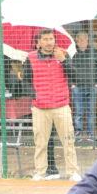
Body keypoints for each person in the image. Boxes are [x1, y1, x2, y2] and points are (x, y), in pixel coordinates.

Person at [21, 28, 80, 181]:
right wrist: (34, 95)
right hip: (40, 107)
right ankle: (40, 172)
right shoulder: (31, 57)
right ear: (38, 43)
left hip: (61, 105)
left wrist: (64, 61)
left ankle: (72, 172)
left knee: (68, 140)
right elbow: (26, 80)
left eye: (51, 39)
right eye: (45, 39)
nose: (49, 42)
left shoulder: (63, 55)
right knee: (40, 142)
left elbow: (75, 77)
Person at [70, 30, 97, 145]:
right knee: (78, 112)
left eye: (84, 39)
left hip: (92, 86)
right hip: (77, 87)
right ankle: (78, 134)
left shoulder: (94, 52)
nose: (82, 42)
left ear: (87, 41)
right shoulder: (73, 53)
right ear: (76, 41)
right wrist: (71, 84)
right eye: (79, 40)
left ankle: (90, 134)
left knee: (90, 111)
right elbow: (68, 69)